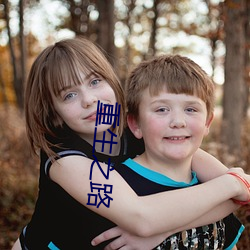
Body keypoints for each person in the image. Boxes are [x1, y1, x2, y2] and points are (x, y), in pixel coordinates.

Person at [11, 37, 250, 250]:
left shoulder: (129, 129)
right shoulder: (63, 159)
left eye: (94, 82)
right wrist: (232, 182)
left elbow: (239, 195)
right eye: (69, 95)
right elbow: (142, 219)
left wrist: (165, 230)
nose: (89, 100)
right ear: (54, 113)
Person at [91, 54, 249, 249]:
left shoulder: (213, 188)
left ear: (207, 122)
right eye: (161, 110)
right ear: (135, 124)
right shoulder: (118, 190)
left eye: (191, 109)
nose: (178, 122)